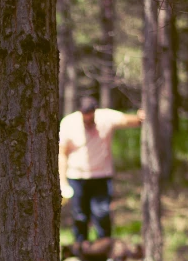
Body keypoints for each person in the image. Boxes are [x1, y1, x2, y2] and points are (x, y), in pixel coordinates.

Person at [59, 97, 144, 244]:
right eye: (85, 115)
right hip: (77, 177)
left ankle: (104, 250)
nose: (88, 118)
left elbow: (127, 120)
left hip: (101, 176)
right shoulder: (68, 123)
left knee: (102, 214)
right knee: (80, 216)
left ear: (95, 111)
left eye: (91, 115)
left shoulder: (106, 117)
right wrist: (63, 181)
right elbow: (62, 153)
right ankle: (81, 251)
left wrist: (140, 118)